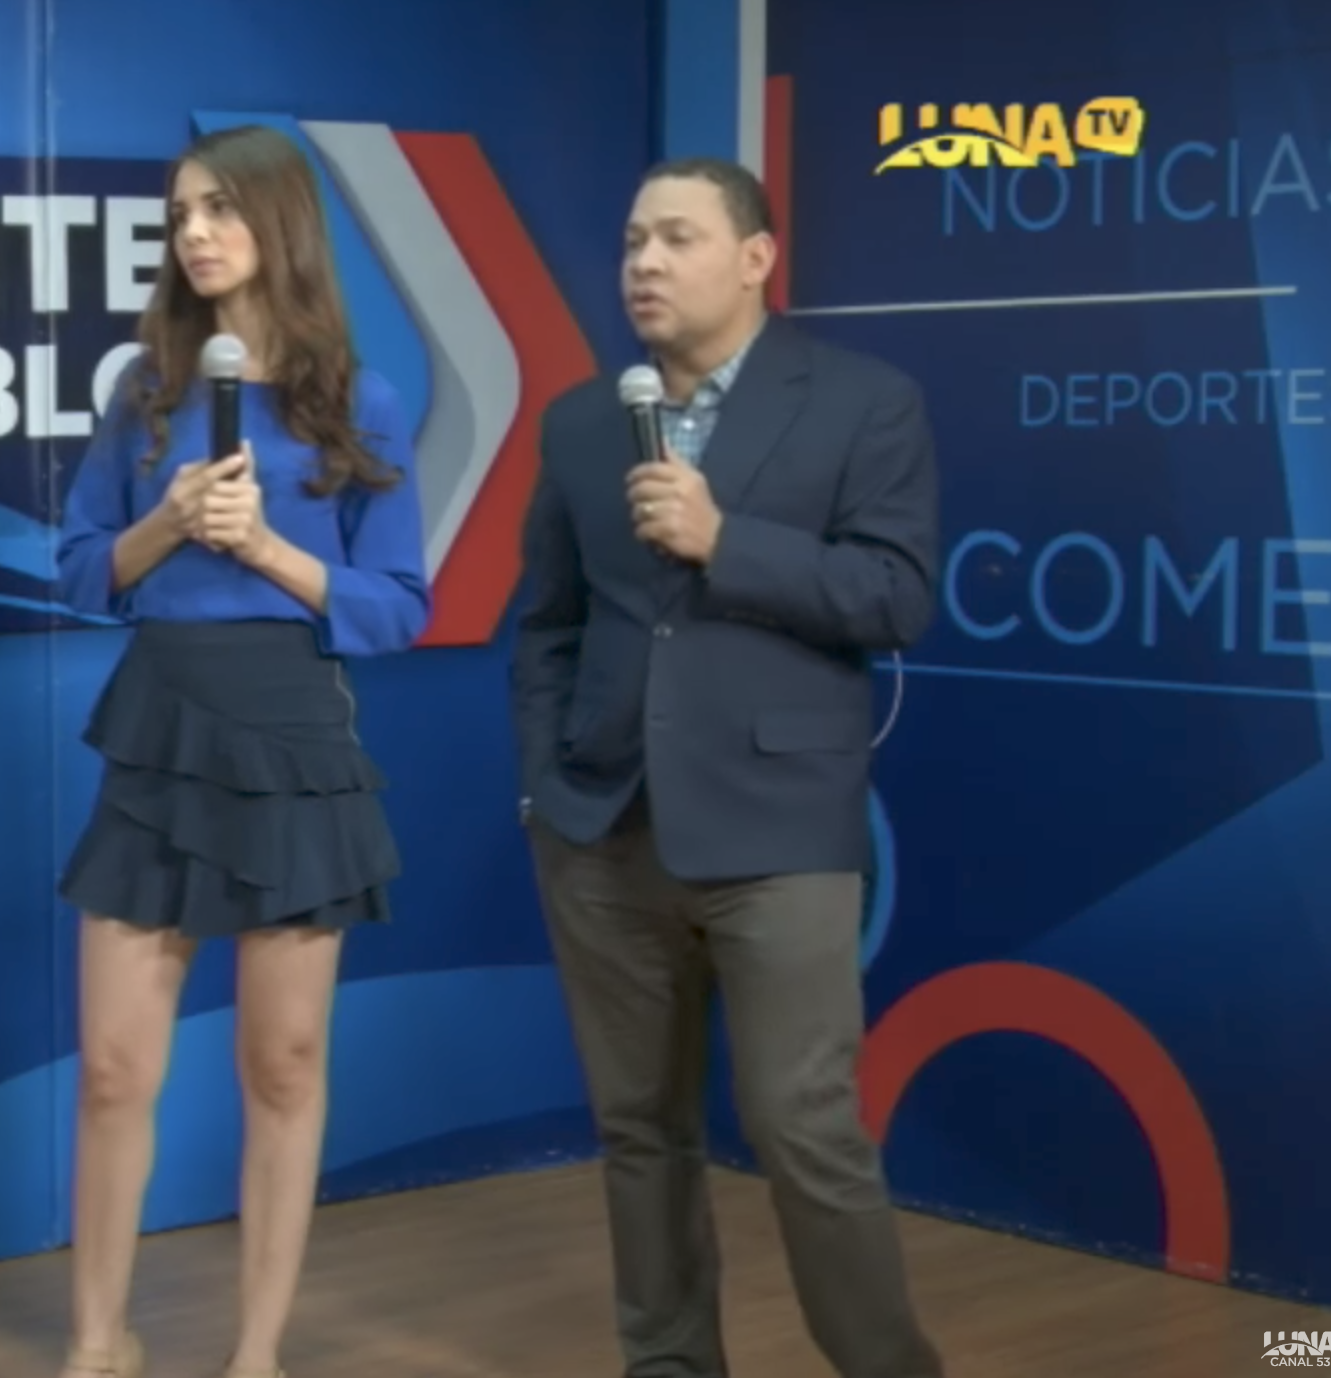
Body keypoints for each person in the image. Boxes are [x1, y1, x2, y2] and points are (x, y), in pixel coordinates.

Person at [509, 155, 945, 1378]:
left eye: (676, 239)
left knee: (802, 1127)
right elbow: (547, 624)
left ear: (754, 259)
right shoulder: (581, 421)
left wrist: (724, 540)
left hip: (777, 829)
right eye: (631, 242)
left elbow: (896, 594)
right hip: (601, 830)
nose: (642, 263)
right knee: (638, 1130)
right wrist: (543, 781)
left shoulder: (862, 401)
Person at [50, 123, 433, 1378]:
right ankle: (98, 1343)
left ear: (280, 221)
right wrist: (166, 523)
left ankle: (253, 1354)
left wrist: (266, 548)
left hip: (293, 737)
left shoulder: (360, 401)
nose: (195, 233)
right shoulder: (143, 391)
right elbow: (80, 574)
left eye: (218, 208)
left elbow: (396, 607)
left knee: (283, 1063)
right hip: (159, 727)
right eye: (180, 215)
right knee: (114, 1069)